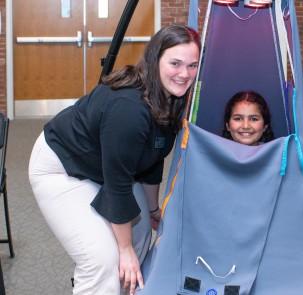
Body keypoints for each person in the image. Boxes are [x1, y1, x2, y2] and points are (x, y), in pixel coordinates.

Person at [28, 24, 200, 295]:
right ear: (155, 60)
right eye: (176, 63)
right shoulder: (129, 109)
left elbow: (153, 157)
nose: (184, 74)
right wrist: (124, 248)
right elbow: (117, 185)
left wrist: (153, 210)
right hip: (64, 167)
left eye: (192, 66)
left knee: (142, 236)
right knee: (104, 260)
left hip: (107, 167)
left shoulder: (172, 98)